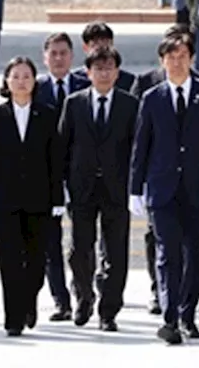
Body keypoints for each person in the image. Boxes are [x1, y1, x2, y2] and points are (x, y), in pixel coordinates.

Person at [129, 34, 199, 344]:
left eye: (182, 56)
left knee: (195, 254)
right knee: (166, 254)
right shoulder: (152, 98)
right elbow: (141, 146)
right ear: (162, 61)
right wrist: (135, 189)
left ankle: (188, 315)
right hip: (162, 190)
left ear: (192, 59)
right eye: (170, 57)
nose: (176, 62)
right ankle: (170, 318)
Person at [0, 57, 63, 336]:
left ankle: (28, 301)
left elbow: (55, 160)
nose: (21, 81)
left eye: (27, 76)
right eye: (16, 76)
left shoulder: (48, 114)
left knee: (37, 260)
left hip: (39, 199)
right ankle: (13, 318)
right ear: (6, 82)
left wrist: (58, 199)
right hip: (5, 200)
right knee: (10, 260)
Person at [57, 46, 138, 331]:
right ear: (88, 72)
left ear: (117, 72)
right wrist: (61, 187)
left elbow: (136, 149)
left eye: (109, 68)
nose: (104, 74)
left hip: (117, 188)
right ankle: (84, 298)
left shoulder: (130, 105)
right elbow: (63, 147)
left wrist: (136, 188)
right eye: (98, 69)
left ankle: (109, 311)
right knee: (79, 249)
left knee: (115, 251)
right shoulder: (74, 103)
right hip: (82, 188)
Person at [32, 31, 85, 321]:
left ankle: (83, 295)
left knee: (81, 242)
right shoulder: (35, 89)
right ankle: (60, 301)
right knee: (51, 242)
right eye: (53, 53)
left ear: (72, 57)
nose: (59, 58)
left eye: (64, 53)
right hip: (45, 176)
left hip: (82, 174)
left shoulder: (86, 85)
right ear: (45, 57)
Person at [70, 22, 137, 93]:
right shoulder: (74, 80)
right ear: (85, 48)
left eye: (106, 44)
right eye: (95, 45)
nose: (101, 51)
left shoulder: (128, 80)